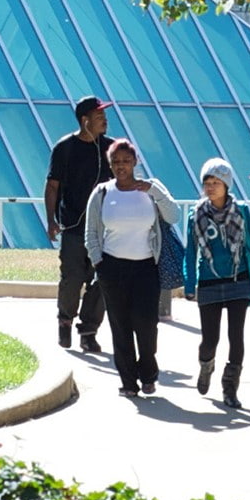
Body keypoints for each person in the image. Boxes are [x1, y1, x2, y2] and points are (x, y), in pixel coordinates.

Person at [84, 138, 179, 397]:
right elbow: (91, 231)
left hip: (146, 267)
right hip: (112, 267)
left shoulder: (151, 188)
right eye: (116, 162)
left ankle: (148, 372)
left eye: (126, 161)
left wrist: (153, 191)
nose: (121, 167)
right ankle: (128, 381)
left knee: (146, 324)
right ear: (110, 164)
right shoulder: (102, 193)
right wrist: (98, 262)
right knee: (120, 325)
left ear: (135, 162)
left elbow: (174, 215)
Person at [183, 158, 250, 409]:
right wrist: (190, 284)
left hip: (238, 280)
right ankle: (206, 365)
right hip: (209, 282)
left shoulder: (242, 212)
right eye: (207, 183)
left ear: (227, 185)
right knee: (210, 339)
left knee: (236, 336)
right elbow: (191, 252)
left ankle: (230, 387)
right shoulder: (196, 214)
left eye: (216, 182)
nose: (210, 187)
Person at [45, 95, 114, 353]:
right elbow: (52, 186)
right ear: (85, 121)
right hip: (74, 228)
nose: (105, 121)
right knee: (72, 277)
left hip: (105, 230)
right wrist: (51, 220)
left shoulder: (111, 149)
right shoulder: (65, 148)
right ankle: (65, 320)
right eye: (99, 117)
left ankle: (89, 330)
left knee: (103, 279)